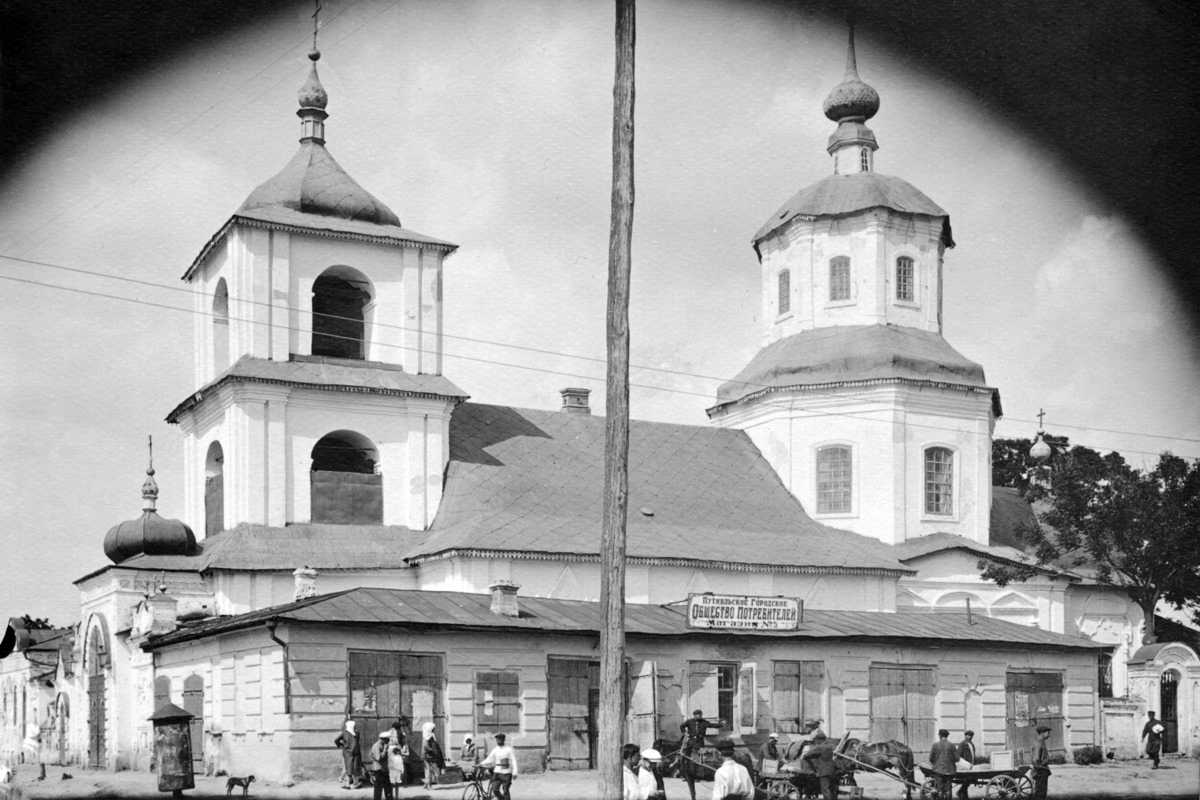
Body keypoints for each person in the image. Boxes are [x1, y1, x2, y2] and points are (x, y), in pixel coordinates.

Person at [480, 732, 518, 800]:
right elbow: (489, 759)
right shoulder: (495, 750)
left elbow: (514, 760)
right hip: (497, 772)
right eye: (497, 739)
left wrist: (515, 772)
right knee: (495, 790)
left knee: (505, 790)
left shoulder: (508, 749)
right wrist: (481, 764)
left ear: (504, 740)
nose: (499, 740)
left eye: (501, 739)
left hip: (507, 773)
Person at [800, 732, 837, 800]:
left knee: (825, 790)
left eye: (816, 740)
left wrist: (804, 756)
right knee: (831, 789)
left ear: (819, 739)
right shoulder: (829, 746)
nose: (815, 741)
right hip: (832, 770)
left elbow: (808, 754)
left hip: (824, 771)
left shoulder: (820, 747)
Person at [333, 719, 364, 789]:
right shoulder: (357, 733)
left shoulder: (344, 733)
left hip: (348, 753)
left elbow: (336, 740)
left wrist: (341, 745)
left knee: (348, 768)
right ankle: (355, 783)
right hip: (356, 753)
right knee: (355, 768)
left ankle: (347, 784)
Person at [928, 729, 957, 800]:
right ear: (947, 736)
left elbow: (931, 758)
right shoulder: (952, 745)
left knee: (939, 789)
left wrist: (935, 764)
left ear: (940, 736)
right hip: (950, 771)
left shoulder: (935, 745)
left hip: (938, 770)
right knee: (948, 789)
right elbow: (956, 758)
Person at [367, 731, 394, 800]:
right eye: (387, 739)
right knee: (378, 789)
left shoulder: (383, 745)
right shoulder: (377, 746)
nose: (388, 741)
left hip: (385, 769)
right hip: (379, 770)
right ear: (383, 739)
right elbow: (379, 758)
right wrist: (385, 750)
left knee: (388, 788)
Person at [387, 723, 409, 795]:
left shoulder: (389, 732)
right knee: (399, 769)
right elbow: (404, 743)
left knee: (392, 771)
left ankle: (391, 793)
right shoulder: (401, 733)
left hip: (390, 752)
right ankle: (401, 785)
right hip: (397, 752)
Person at [1031, 725, 1052, 800]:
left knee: (1042, 792)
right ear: (1043, 733)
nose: (1049, 734)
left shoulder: (1041, 741)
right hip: (1041, 771)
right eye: (1048, 732)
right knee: (1040, 793)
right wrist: (1039, 770)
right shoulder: (1039, 742)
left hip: (1042, 770)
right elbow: (1035, 759)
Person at [421, 726, 445, 790]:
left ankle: (426, 784)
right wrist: (433, 750)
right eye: (433, 729)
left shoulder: (427, 736)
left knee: (428, 771)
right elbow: (426, 746)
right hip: (429, 757)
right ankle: (429, 785)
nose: (434, 730)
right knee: (429, 771)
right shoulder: (428, 737)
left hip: (428, 756)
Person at [954, 730, 976, 799]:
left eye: (971, 736)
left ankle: (963, 794)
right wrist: (964, 763)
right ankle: (961, 792)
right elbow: (958, 755)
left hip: (971, 765)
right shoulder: (962, 744)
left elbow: (973, 754)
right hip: (965, 766)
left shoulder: (971, 744)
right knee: (967, 780)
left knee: (969, 780)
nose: (969, 737)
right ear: (965, 736)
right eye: (968, 735)